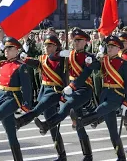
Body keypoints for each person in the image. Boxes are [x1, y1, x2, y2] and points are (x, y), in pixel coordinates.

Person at [34, 29, 100, 161]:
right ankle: (83, 155)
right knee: (78, 123)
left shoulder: (88, 55)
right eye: (74, 40)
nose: (76, 43)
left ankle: (47, 125)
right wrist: (59, 55)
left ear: (85, 42)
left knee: (68, 110)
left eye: (79, 40)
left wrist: (93, 62)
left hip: (82, 90)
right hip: (69, 91)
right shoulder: (67, 55)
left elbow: (97, 66)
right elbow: (53, 60)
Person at [70, 35, 127, 161]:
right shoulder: (103, 60)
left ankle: (81, 121)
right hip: (105, 94)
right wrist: (91, 60)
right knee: (113, 131)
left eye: (112, 47)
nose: (109, 49)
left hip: (116, 96)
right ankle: (121, 157)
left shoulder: (123, 63)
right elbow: (94, 67)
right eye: (108, 46)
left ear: (118, 49)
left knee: (99, 111)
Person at [16, 35, 68, 161]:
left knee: (38, 109)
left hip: (55, 91)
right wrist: (25, 59)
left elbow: (66, 76)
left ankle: (19, 122)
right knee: (52, 125)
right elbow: (36, 63)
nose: (46, 47)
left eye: (49, 45)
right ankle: (61, 155)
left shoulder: (62, 59)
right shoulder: (43, 58)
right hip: (44, 90)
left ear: (56, 47)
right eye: (45, 45)